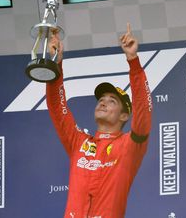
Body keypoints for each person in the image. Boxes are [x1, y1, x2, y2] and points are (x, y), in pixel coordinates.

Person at [46, 23, 152, 217]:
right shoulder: (78, 142)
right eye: (101, 100)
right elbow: (57, 109)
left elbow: (143, 112)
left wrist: (133, 60)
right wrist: (56, 63)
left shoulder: (130, 145)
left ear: (124, 116)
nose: (103, 103)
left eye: (111, 101)